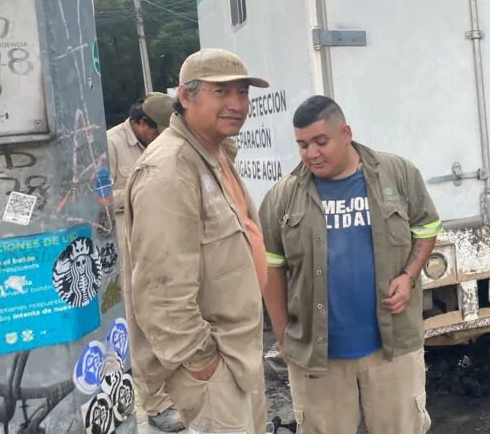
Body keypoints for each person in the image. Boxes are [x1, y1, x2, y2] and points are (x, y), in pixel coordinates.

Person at [260, 95, 441, 434]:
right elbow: (271, 266)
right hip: (319, 356)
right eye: (302, 145)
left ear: (345, 133)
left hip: (392, 348)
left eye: (320, 141)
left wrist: (408, 275)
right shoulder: (283, 195)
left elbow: (427, 228)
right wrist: (283, 335)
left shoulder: (397, 174)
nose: (311, 153)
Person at [123, 48, 270, 433]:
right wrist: (204, 364)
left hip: (239, 354)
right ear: (186, 97)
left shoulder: (214, 153)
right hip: (212, 365)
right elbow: (161, 290)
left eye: (242, 92)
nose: (237, 104)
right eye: (221, 92)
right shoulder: (170, 169)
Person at [105, 93, 185, 432]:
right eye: (158, 130)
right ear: (141, 124)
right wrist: (140, 191)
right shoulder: (110, 143)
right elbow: (99, 198)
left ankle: (174, 395)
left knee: (169, 322)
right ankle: (154, 404)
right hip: (128, 254)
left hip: (162, 248)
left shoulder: (164, 145)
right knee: (142, 330)